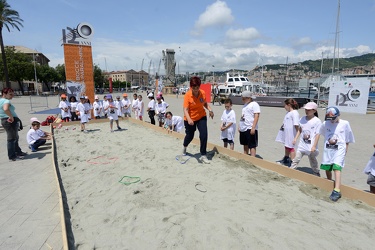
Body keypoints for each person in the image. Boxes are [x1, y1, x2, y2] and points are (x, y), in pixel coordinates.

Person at [318, 106, 355, 202]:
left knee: (336, 167)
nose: (331, 121)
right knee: (327, 167)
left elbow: (348, 138)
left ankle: (337, 190)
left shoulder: (345, 124)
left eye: (333, 118)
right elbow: (320, 133)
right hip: (328, 149)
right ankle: (329, 182)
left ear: (338, 115)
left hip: (340, 149)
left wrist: (345, 150)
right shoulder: (325, 123)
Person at [182, 76, 214, 164]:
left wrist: (210, 110)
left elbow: (205, 104)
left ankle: (203, 154)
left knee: (204, 134)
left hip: (201, 116)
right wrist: (189, 119)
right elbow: (185, 109)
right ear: (191, 87)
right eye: (194, 88)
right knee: (190, 136)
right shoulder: (188, 95)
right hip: (190, 118)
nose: (196, 90)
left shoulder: (202, 93)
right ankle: (184, 146)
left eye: (197, 88)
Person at [289, 102, 322, 176]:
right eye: (306, 110)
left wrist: (314, 146)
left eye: (309, 110)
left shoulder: (317, 121)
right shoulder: (302, 119)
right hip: (302, 144)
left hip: (311, 146)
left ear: (314, 111)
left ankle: (316, 173)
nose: (307, 111)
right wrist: (295, 139)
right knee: (296, 159)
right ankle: (291, 171)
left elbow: (317, 134)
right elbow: (300, 130)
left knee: (312, 160)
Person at [0, 88, 27, 161]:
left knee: (15, 137)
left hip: (5, 120)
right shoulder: (6, 101)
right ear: (4, 94)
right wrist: (11, 116)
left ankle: (18, 152)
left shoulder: (1, 101)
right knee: (11, 139)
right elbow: (5, 109)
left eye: (13, 94)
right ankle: (12, 156)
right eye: (10, 94)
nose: (12, 96)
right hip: (9, 121)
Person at [275, 98, 300, 166]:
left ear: (289, 105)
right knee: (287, 146)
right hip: (287, 133)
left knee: (291, 147)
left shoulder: (294, 113)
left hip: (292, 133)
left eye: (285, 105)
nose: (284, 107)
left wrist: (296, 137)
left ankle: (293, 163)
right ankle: (286, 158)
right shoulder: (288, 113)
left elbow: (297, 126)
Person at [238, 91, 260, 157]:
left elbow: (257, 115)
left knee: (252, 145)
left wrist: (253, 127)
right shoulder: (244, 105)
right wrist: (240, 126)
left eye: (243, 99)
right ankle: (246, 156)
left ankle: (253, 158)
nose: (242, 100)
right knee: (245, 143)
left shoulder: (254, 104)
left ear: (248, 98)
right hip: (243, 127)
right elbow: (242, 116)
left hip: (250, 127)